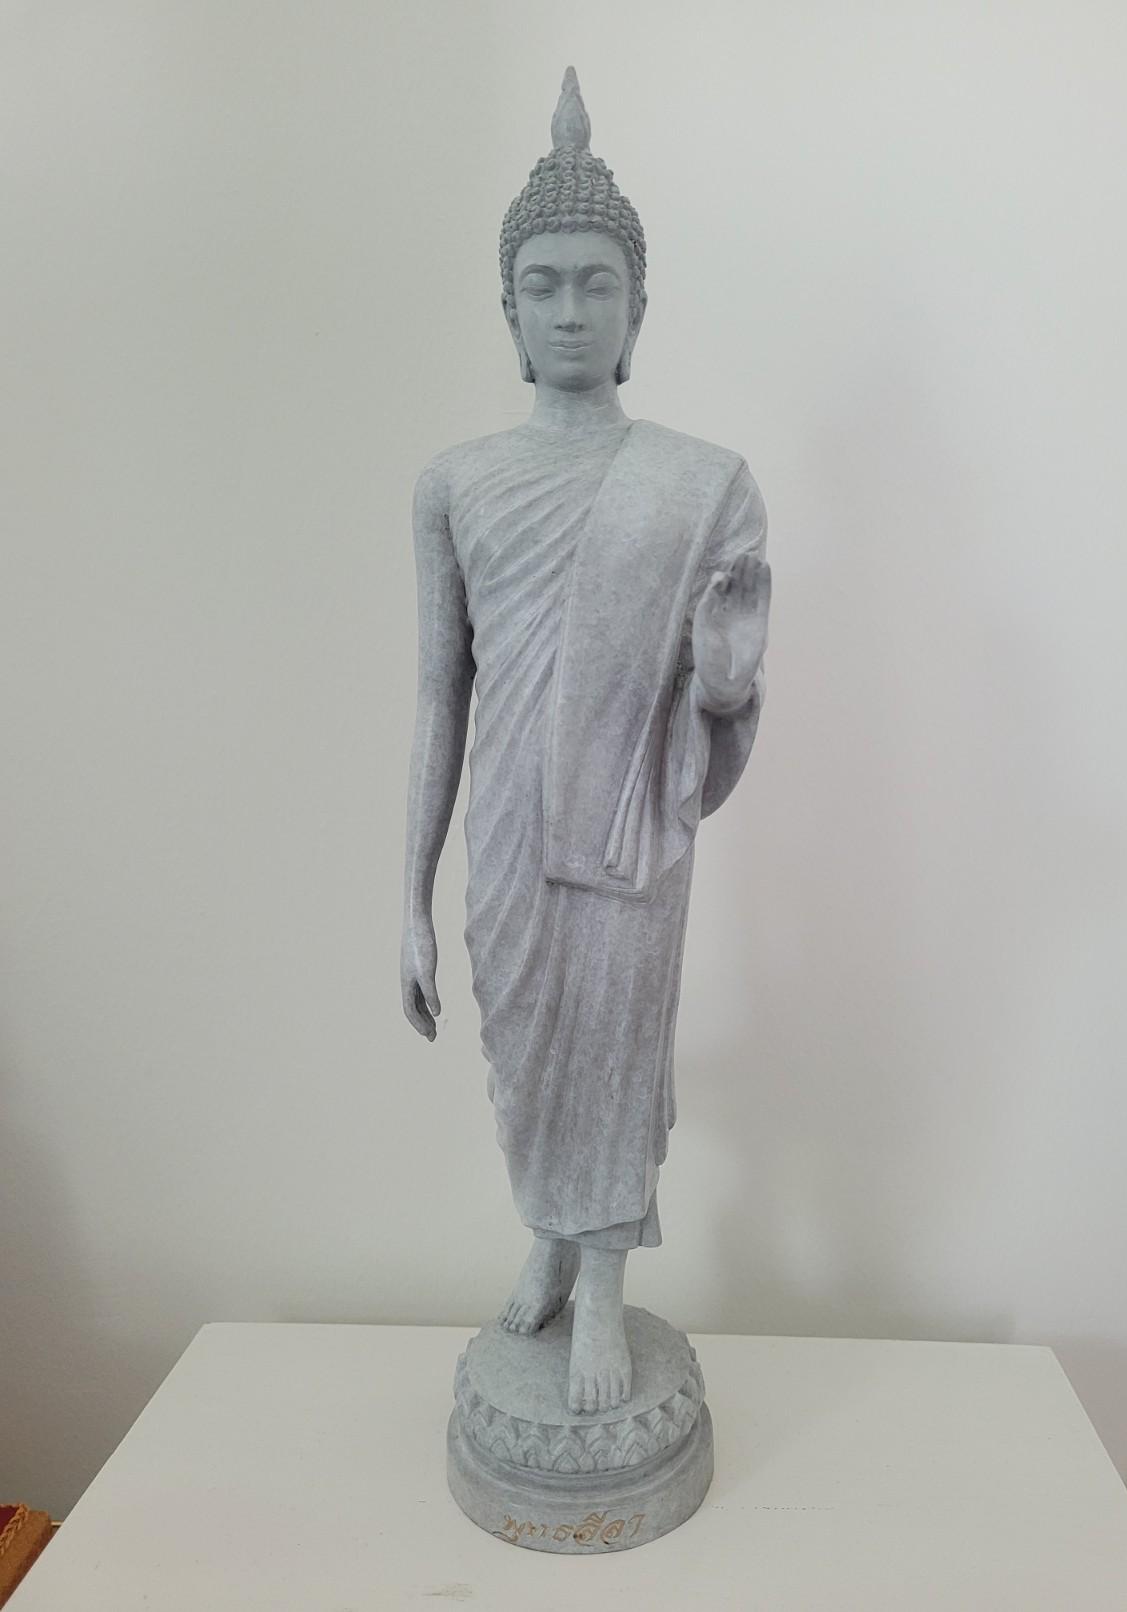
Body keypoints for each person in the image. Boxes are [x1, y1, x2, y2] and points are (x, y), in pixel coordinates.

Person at [402, 67, 770, 1416]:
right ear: (508, 312)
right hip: (505, 821)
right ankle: (550, 1237)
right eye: (542, 284)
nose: (570, 308)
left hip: (626, 818)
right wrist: (407, 900)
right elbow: (438, 695)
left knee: (613, 1046)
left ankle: (602, 1277)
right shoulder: (455, 481)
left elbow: (724, 696)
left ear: (637, 311)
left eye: (595, 285)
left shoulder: (702, 485)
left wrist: (722, 672)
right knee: (524, 1054)